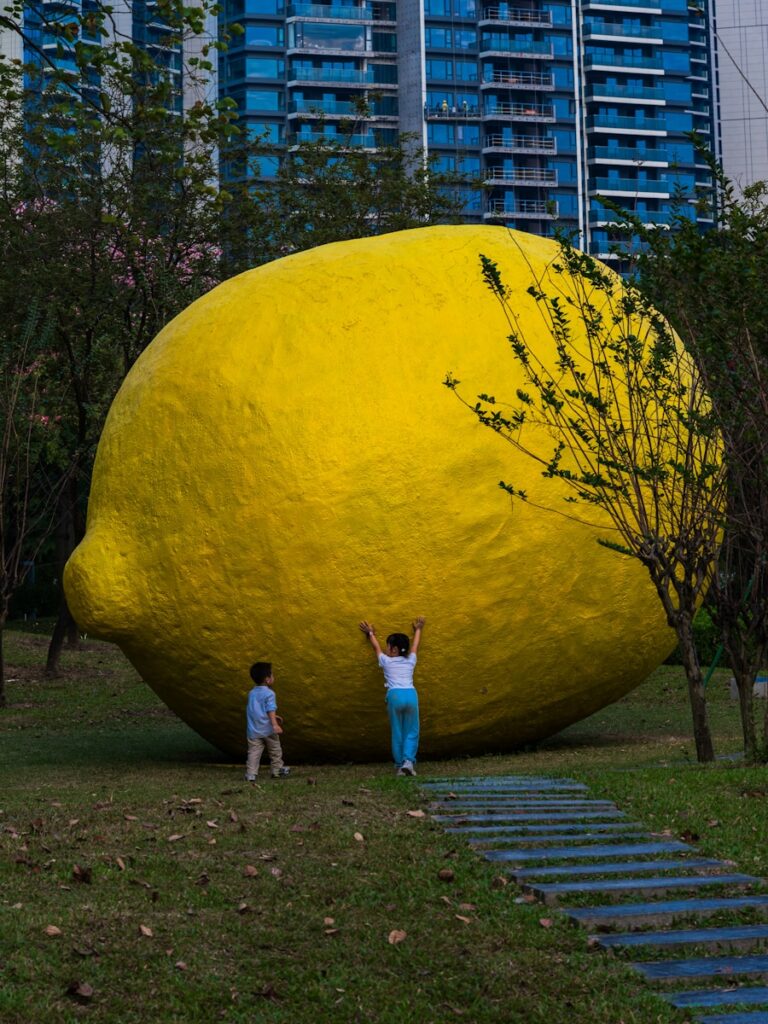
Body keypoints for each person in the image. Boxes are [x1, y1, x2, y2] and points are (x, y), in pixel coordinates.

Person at [359, 617, 425, 776]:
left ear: (394, 649)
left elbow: (375, 648)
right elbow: (415, 645)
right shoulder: (410, 661)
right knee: (412, 730)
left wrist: (370, 633)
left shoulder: (386, 661)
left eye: (388, 646)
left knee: (397, 730)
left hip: (394, 696)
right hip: (410, 694)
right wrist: (418, 629)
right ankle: (408, 761)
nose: (385, 648)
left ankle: (399, 764)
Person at [245, 661, 290, 781]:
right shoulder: (269, 693)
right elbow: (270, 709)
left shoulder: (252, 693)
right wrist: (274, 724)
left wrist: (274, 717)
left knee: (253, 753)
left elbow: (256, 711)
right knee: (275, 749)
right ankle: (276, 770)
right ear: (267, 679)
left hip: (253, 730)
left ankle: (251, 774)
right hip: (268, 729)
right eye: (272, 675)